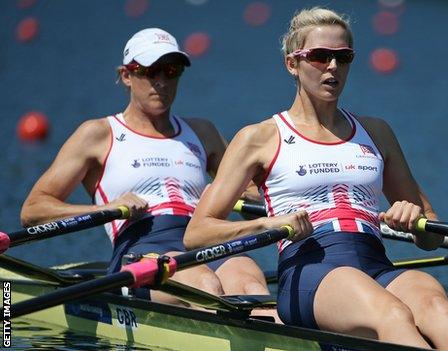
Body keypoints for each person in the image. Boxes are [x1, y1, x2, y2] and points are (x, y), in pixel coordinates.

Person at [183, 7, 448, 350]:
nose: (332, 66)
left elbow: (431, 232)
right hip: (310, 273)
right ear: (291, 64)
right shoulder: (260, 137)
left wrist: (414, 220)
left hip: (377, 265)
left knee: (439, 308)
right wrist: (268, 224)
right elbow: (198, 233)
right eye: (319, 56)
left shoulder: (376, 132)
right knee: (392, 314)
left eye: (343, 57)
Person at [20, 28, 273, 308]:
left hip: (205, 236)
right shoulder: (98, 134)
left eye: (171, 70)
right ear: (127, 75)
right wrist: (105, 209)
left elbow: (252, 192)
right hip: (143, 247)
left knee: (251, 284)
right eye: (150, 71)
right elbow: (33, 210)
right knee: (205, 286)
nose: (162, 81)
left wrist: (222, 194)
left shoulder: (203, 132)